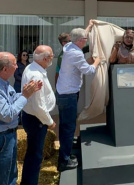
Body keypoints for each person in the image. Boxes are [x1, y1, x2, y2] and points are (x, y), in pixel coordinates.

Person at [56, 20, 101, 172]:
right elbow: (89, 71)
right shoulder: (76, 53)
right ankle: (64, 160)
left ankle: (66, 150)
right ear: (80, 41)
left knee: (66, 125)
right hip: (68, 95)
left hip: (65, 93)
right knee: (68, 127)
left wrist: (89, 26)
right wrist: (97, 62)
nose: (86, 41)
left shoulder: (69, 46)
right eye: (85, 40)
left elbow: (81, 35)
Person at [0, 52, 42, 185]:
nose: (17, 67)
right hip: (3, 137)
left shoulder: (5, 84)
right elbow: (7, 115)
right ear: (5, 69)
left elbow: (11, 100)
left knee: (11, 174)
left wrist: (27, 92)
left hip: (8, 136)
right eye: (14, 64)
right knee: (4, 177)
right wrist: (24, 96)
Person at [20, 45, 56, 185]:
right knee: (34, 156)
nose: (52, 58)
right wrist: (49, 121)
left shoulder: (32, 67)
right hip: (37, 120)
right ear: (45, 58)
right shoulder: (36, 75)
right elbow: (38, 107)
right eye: (51, 56)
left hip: (32, 118)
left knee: (33, 154)